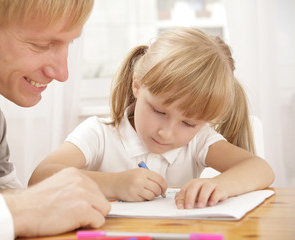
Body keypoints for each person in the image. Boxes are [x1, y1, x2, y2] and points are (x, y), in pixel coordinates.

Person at [29, 27, 275, 210]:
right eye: (159, 111)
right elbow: (41, 177)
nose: (166, 133)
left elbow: (259, 169)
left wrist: (220, 185)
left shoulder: (198, 141)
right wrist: (113, 184)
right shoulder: (98, 134)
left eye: (188, 123)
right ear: (137, 85)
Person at [0, 0, 110, 239]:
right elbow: (19, 209)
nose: (62, 73)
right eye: (40, 45)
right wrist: (22, 209)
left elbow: (6, 202)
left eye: (68, 43)